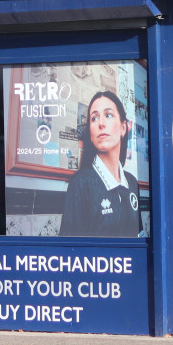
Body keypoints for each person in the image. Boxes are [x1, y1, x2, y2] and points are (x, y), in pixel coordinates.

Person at [60, 90, 142, 237]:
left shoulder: (132, 183)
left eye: (108, 115)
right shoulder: (80, 183)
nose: (101, 123)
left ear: (123, 127)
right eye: (94, 118)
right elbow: (71, 252)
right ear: (90, 134)